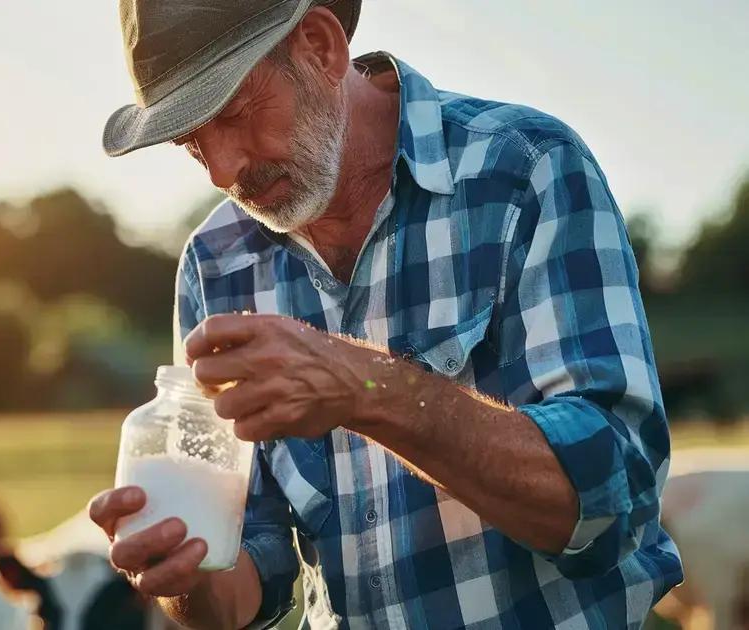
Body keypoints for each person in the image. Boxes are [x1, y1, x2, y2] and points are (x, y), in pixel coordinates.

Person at [88, 1, 684, 628]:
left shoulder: (525, 168)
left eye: (234, 113)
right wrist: (184, 575)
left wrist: (364, 387)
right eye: (190, 143)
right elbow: (247, 579)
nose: (222, 170)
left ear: (319, 46)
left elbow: (615, 493)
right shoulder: (215, 263)